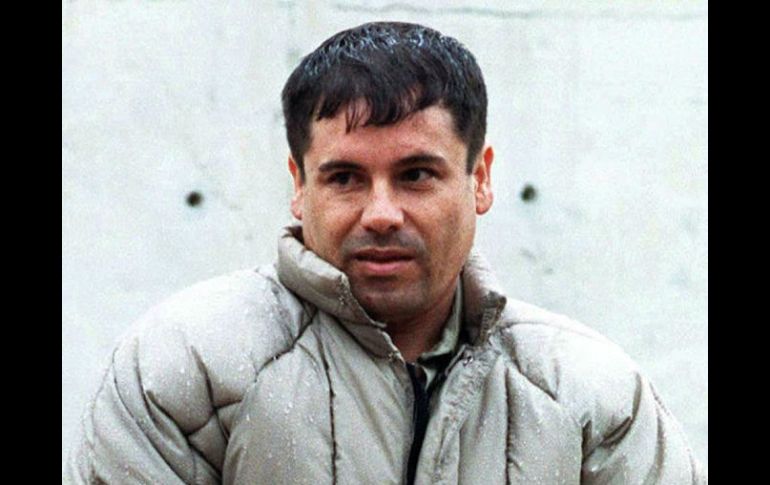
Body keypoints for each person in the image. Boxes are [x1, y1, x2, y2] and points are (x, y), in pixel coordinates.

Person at [66, 21, 706, 484]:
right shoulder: (183, 367)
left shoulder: (589, 391)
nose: (380, 213)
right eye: (345, 177)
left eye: (416, 175)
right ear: (299, 185)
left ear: (480, 179)